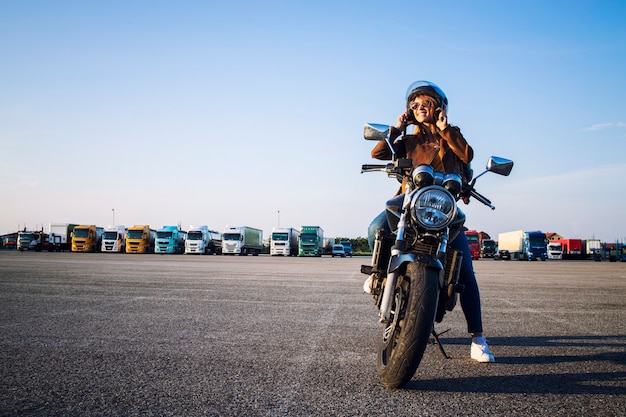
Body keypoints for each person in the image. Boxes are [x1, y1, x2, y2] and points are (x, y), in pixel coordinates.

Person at [364, 80, 495, 363]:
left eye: (426, 103)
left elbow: (467, 156)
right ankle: (381, 273)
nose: (420, 108)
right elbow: (378, 154)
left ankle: (478, 338)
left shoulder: (451, 135)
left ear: (438, 107)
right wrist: (397, 128)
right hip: (409, 203)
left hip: (443, 210)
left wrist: (445, 129)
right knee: (375, 228)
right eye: (415, 105)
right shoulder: (409, 140)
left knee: (466, 274)